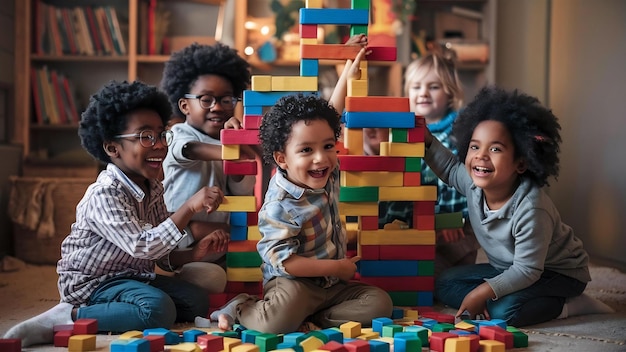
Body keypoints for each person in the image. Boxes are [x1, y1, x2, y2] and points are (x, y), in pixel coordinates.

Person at [3, 80, 225, 347]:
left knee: (196, 300)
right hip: (93, 285)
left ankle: (124, 307)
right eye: (145, 136)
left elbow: (159, 251)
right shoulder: (105, 193)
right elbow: (143, 245)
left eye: (161, 134)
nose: (159, 145)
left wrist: (192, 254)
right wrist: (189, 207)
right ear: (112, 148)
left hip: (132, 276)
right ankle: (68, 317)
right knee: (157, 310)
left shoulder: (153, 187)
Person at [208, 91, 393, 334]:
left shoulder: (327, 171)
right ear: (282, 159)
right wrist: (337, 268)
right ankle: (242, 306)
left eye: (328, 146)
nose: (320, 158)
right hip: (293, 284)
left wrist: (349, 67)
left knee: (380, 303)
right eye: (306, 150)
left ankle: (313, 318)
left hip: (332, 286)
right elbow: (287, 262)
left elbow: (331, 116)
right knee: (273, 325)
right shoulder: (279, 204)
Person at [428, 86, 604, 326]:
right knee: (444, 283)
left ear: (521, 163)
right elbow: (448, 168)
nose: (481, 156)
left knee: (504, 313)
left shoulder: (531, 208)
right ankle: (500, 298)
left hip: (557, 273)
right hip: (509, 268)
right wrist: (425, 140)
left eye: (495, 149)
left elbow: (528, 270)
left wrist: (482, 293)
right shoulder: (473, 182)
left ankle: (568, 305)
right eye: (475, 146)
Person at [159, 42, 257, 292]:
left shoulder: (222, 141)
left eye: (226, 100)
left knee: (248, 268)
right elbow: (190, 150)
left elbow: (243, 191)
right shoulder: (177, 134)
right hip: (180, 241)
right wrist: (234, 147)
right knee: (211, 279)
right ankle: (166, 278)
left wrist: (238, 143)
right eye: (206, 100)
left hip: (220, 241)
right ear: (184, 106)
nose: (217, 107)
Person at [378, 53, 480, 276]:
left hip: (455, 226)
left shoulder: (459, 134)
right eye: (416, 87)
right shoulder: (399, 132)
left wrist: (450, 219)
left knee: (445, 276)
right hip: (415, 224)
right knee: (403, 272)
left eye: (433, 87)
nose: (423, 93)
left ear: (450, 94)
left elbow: (462, 181)